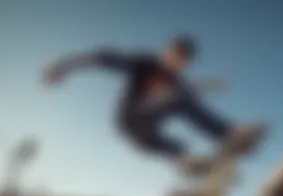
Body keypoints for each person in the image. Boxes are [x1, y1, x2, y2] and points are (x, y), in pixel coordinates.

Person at [43, 35, 265, 174]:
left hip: (146, 135)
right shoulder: (146, 64)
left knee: (178, 134)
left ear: (186, 62)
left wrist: (243, 146)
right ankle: (226, 133)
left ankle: (184, 159)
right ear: (166, 52)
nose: (177, 63)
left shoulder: (178, 82)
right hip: (131, 118)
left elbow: (195, 111)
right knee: (179, 95)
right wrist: (65, 65)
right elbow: (104, 59)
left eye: (182, 60)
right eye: (174, 55)